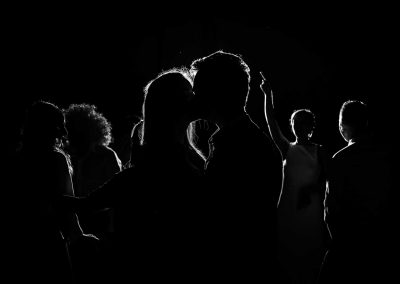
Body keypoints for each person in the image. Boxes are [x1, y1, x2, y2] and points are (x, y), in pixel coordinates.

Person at [64, 68, 206, 283]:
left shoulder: (159, 161)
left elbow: (90, 203)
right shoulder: (168, 164)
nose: (196, 98)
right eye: (188, 94)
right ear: (173, 106)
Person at [188, 50, 283, 282]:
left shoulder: (241, 148)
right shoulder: (245, 141)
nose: (193, 94)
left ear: (216, 91)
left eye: (198, 86)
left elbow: (220, 222)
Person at [6, 100, 97, 284]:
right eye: (59, 126)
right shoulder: (57, 159)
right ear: (48, 128)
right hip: (50, 242)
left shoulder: (17, 160)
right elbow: (68, 205)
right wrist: (80, 237)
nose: (64, 133)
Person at [260, 72, 329, 283]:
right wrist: (267, 95)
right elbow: (271, 123)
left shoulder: (321, 151)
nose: (297, 126)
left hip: (312, 210)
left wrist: (311, 190)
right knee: (288, 257)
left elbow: (328, 180)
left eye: (302, 123)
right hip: (288, 210)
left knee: (310, 256)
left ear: (311, 127)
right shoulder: (287, 148)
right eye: (294, 123)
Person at [319, 100, 395, 283]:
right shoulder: (385, 156)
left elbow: (331, 212)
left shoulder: (340, 159)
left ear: (342, 126)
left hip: (348, 246)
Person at [63, 103, 122, 283]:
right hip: (71, 231)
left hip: (101, 228)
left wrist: (112, 235)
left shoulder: (107, 156)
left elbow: (117, 197)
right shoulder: (65, 156)